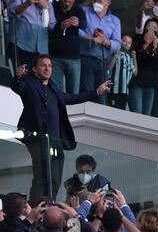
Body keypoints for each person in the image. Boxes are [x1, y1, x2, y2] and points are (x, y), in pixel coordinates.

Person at [11, 54, 112, 203]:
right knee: (41, 177)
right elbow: (18, 87)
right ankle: (36, 207)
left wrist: (96, 91)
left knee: (55, 178)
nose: (47, 68)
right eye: (43, 65)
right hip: (39, 139)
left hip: (56, 141)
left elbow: (70, 98)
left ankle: (49, 204)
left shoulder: (53, 88)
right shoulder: (29, 83)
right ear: (34, 69)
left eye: (50, 65)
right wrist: (18, 77)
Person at [79, 0, 121, 104]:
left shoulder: (115, 20)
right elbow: (76, 30)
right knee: (87, 96)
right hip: (86, 59)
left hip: (103, 62)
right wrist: (91, 39)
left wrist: (104, 41)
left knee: (102, 98)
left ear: (108, 2)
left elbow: (117, 44)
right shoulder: (84, 11)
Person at [7, 0, 56, 68]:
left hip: (41, 50)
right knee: (20, 78)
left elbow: (51, 26)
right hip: (20, 46)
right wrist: (28, 3)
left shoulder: (48, 3)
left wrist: (45, 7)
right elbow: (11, 12)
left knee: (37, 80)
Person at [49, 0, 86, 94]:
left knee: (73, 93)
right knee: (57, 92)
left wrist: (77, 23)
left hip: (74, 57)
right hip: (55, 56)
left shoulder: (78, 10)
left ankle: (72, 112)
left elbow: (84, 25)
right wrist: (60, 26)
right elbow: (47, 26)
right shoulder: (53, 7)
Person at [128, 19, 158, 116]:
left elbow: (157, 64)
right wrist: (146, 44)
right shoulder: (137, 40)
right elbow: (135, 58)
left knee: (146, 117)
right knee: (137, 114)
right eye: (149, 26)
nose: (151, 29)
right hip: (137, 84)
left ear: (157, 32)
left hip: (150, 86)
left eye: (154, 27)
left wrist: (154, 46)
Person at [107, 33, 137, 109]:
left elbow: (135, 73)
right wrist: (116, 53)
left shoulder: (129, 57)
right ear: (120, 41)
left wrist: (134, 58)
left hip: (125, 92)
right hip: (114, 90)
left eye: (129, 43)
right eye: (124, 41)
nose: (127, 44)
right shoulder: (115, 53)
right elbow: (109, 67)